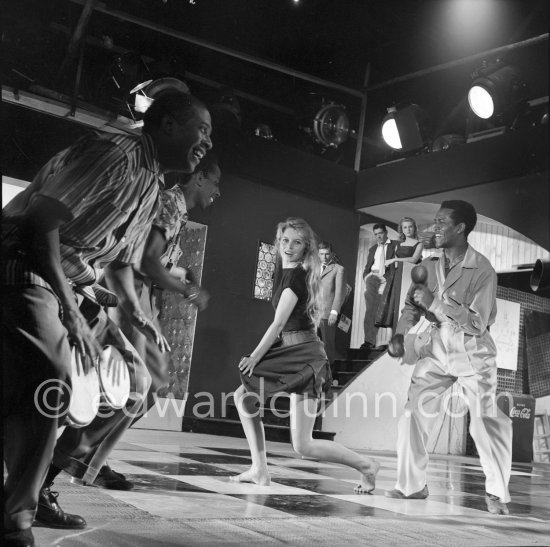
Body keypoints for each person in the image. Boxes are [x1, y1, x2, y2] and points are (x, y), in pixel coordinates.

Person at [2, 90, 212, 546]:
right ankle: (14, 520)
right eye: (203, 130)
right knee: (52, 376)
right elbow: (40, 222)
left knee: (137, 386)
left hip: (75, 284)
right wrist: (74, 315)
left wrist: (141, 320)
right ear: (169, 124)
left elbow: (120, 264)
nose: (207, 144)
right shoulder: (116, 153)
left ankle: (40, 486)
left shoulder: (153, 181)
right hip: (23, 264)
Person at [99, 153, 221, 489]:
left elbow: (156, 263)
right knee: (136, 382)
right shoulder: (170, 203)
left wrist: (184, 281)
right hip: (131, 291)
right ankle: (83, 454)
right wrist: (189, 290)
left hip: (143, 294)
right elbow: (147, 262)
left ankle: (90, 454)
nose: (218, 191)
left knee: (152, 382)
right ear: (198, 177)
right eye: (215, 182)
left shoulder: (177, 212)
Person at [231, 218, 379, 492]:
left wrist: (254, 357)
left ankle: (367, 466)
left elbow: (277, 324)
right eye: (285, 240)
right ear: (278, 242)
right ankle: (259, 470)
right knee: (301, 442)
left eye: (296, 242)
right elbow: (282, 328)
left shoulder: (296, 276)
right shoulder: (291, 272)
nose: (288, 246)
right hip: (297, 351)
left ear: (305, 247)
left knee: (302, 444)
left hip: (304, 355)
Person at [385, 200, 512, 516]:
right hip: (436, 349)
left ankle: (496, 493)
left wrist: (437, 303)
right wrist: (400, 336)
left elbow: (477, 322)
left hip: (473, 353)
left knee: (485, 423)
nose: (434, 228)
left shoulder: (482, 269)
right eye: (435, 222)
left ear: (461, 228)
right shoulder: (427, 267)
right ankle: (412, 485)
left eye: (442, 222)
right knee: (412, 415)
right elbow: (411, 308)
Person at [375, 217, 424, 329]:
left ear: (414, 228)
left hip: (410, 277)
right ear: (402, 229)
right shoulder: (399, 244)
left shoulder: (419, 244)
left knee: (404, 304)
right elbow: (395, 265)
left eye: (410, 227)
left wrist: (394, 259)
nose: (408, 229)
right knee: (391, 305)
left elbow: (413, 260)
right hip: (396, 276)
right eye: (405, 227)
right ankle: (389, 341)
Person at [361, 223, 398, 349]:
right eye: (376, 234)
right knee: (370, 310)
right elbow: (367, 268)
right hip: (373, 278)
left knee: (385, 310)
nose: (378, 236)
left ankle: (390, 341)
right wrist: (367, 276)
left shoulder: (395, 245)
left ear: (386, 232)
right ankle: (369, 341)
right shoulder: (372, 249)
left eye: (380, 233)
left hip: (388, 279)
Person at [318, 242, 347, 366]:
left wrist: (334, 312)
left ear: (332, 254)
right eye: (322, 254)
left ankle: (329, 375)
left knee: (327, 345)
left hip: (327, 314)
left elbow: (340, 293)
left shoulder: (338, 269)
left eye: (327, 254)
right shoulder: (313, 268)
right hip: (312, 313)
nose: (324, 257)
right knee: (312, 345)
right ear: (318, 254)